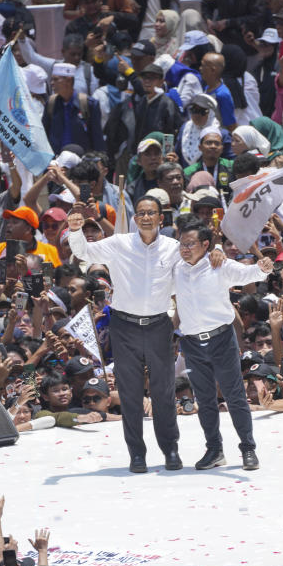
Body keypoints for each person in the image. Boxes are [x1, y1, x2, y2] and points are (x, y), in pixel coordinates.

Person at [66, 196, 222, 472]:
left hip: (159, 325)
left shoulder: (175, 249)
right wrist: (75, 230)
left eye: (152, 212)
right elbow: (85, 254)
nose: (146, 217)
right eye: (141, 213)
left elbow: (201, 260)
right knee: (129, 392)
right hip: (124, 326)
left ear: (161, 219)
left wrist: (218, 248)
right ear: (135, 219)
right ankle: (136, 454)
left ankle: (170, 450)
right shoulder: (119, 244)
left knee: (163, 391)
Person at [174, 222, 272, 470]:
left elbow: (248, 274)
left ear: (205, 245)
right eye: (182, 243)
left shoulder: (219, 264)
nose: (184, 249)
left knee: (234, 396)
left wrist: (262, 268)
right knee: (204, 399)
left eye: (190, 244)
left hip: (221, 339)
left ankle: (248, 448)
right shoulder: (175, 269)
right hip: (192, 342)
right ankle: (214, 450)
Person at [42, 63, 106, 154]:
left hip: (81, 162)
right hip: (57, 161)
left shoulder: (89, 104)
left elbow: (97, 138)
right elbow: (44, 135)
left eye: (56, 79)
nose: (52, 83)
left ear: (69, 80)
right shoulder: (51, 103)